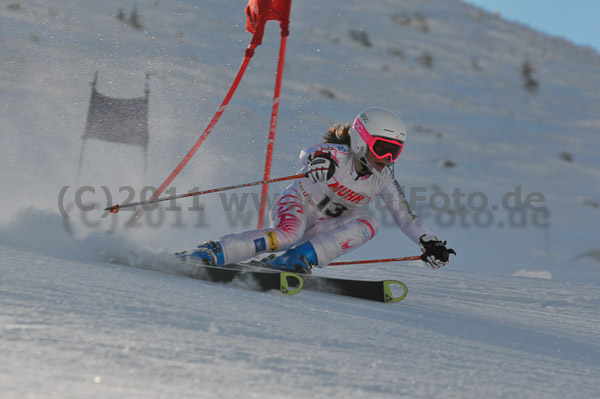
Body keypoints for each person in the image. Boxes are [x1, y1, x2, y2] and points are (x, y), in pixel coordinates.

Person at [179, 107, 455, 273]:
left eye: (395, 152)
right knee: (287, 234)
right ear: (360, 140)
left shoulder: (382, 179)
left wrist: (429, 242)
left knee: (370, 222)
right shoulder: (339, 154)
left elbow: (405, 217)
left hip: (326, 226)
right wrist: (319, 162)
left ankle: (297, 260)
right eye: (382, 148)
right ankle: (215, 252)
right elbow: (311, 152)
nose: (387, 159)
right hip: (298, 203)